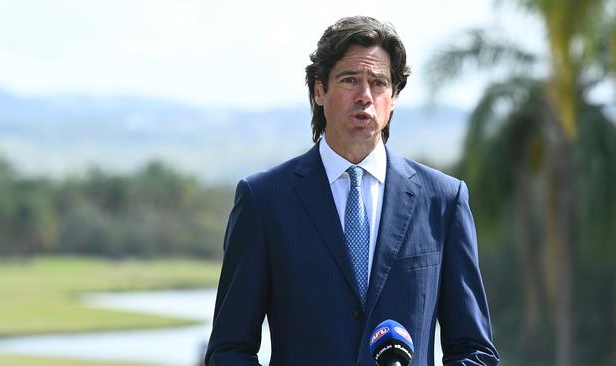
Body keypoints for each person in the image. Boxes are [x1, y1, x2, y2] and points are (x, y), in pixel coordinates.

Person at [205, 16, 499, 366]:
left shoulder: (443, 201)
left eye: (378, 83)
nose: (365, 96)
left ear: (393, 97)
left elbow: (473, 350)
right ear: (319, 90)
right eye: (349, 80)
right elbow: (230, 350)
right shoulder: (263, 199)